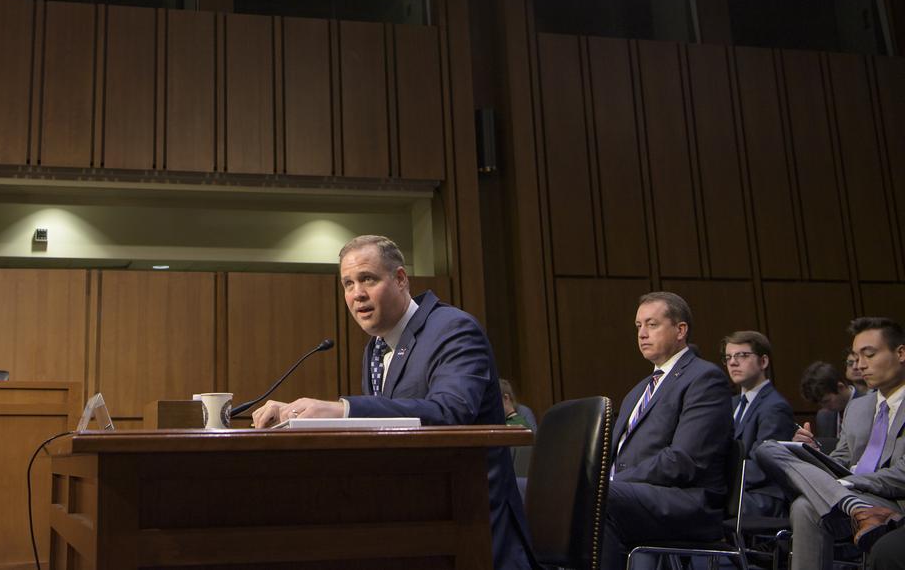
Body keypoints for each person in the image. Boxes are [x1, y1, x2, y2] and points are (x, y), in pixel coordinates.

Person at [250, 235, 534, 570]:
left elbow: (449, 414)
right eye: (348, 284)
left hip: (470, 525)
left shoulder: (454, 329)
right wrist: (302, 419)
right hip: (411, 509)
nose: (357, 294)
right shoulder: (376, 348)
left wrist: (343, 410)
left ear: (400, 280)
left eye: (368, 279)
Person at [755, 317, 905, 568]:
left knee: (805, 505)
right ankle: (856, 509)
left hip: (889, 501)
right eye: (856, 357)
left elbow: (902, 473)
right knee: (768, 448)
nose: (860, 366)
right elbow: (841, 459)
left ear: (900, 353)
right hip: (848, 495)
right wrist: (815, 456)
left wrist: (844, 483)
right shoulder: (858, 407)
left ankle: (854, 505)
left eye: (869, 354)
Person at [602, 291, 733, 570]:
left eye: (652, 324)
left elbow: (683, 460)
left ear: (680, 330)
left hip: (685, 501)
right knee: (529, 491)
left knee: (597, 498)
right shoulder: (637, 391)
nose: (642, 334)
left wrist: (613, 482)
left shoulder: (704, 378)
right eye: (638, 326)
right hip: (634, 493)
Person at [722, 330, 794, 515]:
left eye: (742, 355)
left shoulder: (775, 406)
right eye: (728, 357)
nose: (733, 362)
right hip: (738, 490)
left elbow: (764, 466)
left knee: (698, 506)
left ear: (763, 361)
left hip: (762, 495)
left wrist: (720, 482)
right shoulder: (732, 404)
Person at [801, 360, 855, 440]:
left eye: (826, 401)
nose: (825, 408)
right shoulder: (823, 416)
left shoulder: (870, 405)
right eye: (820, 403)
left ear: (840, 387)